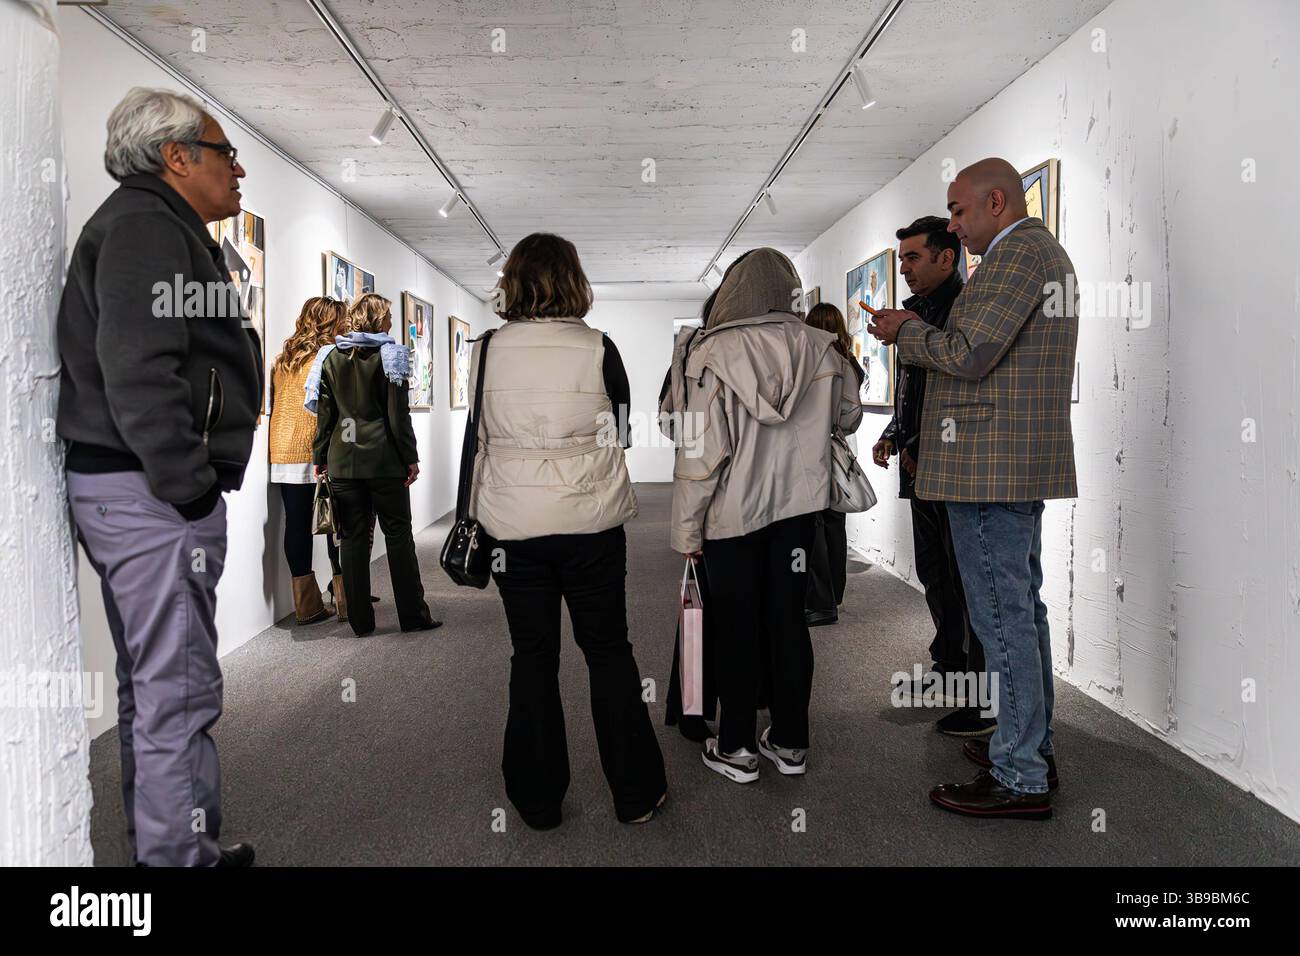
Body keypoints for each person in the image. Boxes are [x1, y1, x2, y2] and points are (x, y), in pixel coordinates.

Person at [57, 87, 260, 866]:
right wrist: (190, 486)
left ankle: (173, 849)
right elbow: (138, 368)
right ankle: (176, 863)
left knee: (155, 687)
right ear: (176, 156)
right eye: (223, 152)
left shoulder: (160, 226)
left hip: (136, 490)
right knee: (177, 691)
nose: (237, 169)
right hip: (151, 494)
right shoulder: (146, 225)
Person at [868, 157, 1078, 819]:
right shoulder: (1027, 256)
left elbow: (970, 353)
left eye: (958, 212)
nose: (954, 226)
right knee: (1019, 614)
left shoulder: (1020, 256)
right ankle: (1026, 747)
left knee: (1002, 617)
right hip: (1001, 463)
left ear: (996, 202)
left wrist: (910, 332)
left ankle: (1020, 775)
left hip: (992, 466)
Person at [468, 232, 667, 828]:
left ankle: (537, 799)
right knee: (609, 653)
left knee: (532, 657)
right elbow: (625, 433)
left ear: (512, 282)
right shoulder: (600, 348)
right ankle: (634, 794)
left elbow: (478, 435)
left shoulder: (484, 351)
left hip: (511, 526)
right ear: (575, 282)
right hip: (590, 525)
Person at [663, 248, 862, 783]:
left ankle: (736, 747)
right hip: (798, 517)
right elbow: (849, 418)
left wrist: (686, 530)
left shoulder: (712, 353)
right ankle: (791, 742)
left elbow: (698, 456)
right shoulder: (821, 348)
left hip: (732, 519)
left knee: (735, 627)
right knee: (789, 623)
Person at [874, 216, 988, 737]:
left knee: (968, 582)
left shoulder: (966, 310)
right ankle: (950, 669)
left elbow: (962, 385)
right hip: (922, 468)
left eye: (913, 258)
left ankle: (979, 695)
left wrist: (921, 444)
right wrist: (897, 433)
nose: (905, 269)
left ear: (947, 257)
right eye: (901, 260)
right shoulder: (914, 314)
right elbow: (913, 387)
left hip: (955, 469)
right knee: (935, 572)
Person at [308, 292, 439, 637]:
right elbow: (398, 417)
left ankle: (360, 622)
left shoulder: (330, 357)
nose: (392, 323)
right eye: (389, 318)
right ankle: (412, 615)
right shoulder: (391, 355)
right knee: (398, 535)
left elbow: (325, 416)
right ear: (380, 319)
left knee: (350, 538)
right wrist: (410, 457)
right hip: (384, 462)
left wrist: (319, 456)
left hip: (343, 463)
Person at [268, 296, 347, 624]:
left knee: (297, 525)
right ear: (332, 322)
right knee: (336, 525)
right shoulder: (331, 356)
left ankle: (306, 605)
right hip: (317, 448)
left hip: (283, 452)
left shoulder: (283, 359)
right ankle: (344, 597)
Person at [802, 302, 865, 627]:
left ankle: (820, 600)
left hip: (808, 450)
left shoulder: (809, 362)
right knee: (834, 523)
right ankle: (833, 595)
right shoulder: (847, 362)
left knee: (812, 525)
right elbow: (852, 415)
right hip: (834, 448)